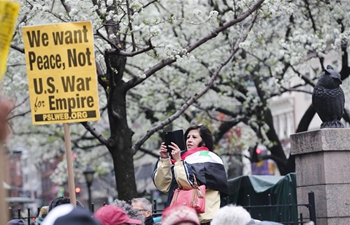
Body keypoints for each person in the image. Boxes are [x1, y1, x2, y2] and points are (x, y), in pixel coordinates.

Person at [152, 124, 229, 225]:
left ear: (204, 142)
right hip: (179, 218)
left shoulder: (210, 158)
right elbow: (163, 185)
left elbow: (189, 184)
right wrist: (165, 159)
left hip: (202, 219)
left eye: (194, 137)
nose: (189, 140)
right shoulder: (181, 158)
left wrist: (179, 161)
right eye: (188, 137)